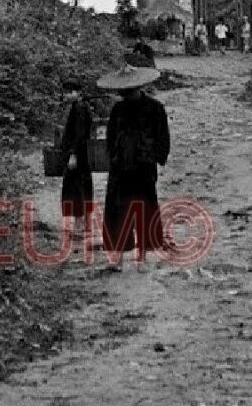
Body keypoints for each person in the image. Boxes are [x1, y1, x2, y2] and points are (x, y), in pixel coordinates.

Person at [100, 66, 171, 267]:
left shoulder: (155, 108)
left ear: (140, 87)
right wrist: (112, 157)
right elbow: (111, 136)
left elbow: (162, 135)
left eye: (129, 91)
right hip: (120, 167)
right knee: (118, 210)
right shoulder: (118, 109)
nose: (126, 95)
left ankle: (142, 256)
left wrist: (157, 158)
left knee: (144, 209)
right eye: (123, 92)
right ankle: (118, 258)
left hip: (143, 166)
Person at [58, 81, 94, 243]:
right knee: (84, 187)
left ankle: (80, 225)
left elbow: (80, 135)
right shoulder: (81, 107)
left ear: (77, 92)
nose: (66, 95)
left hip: (78, 156)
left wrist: (73, 155)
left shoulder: (79, 108)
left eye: (69, 92)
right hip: (82, 156)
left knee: (76, 188)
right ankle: (86, 224)